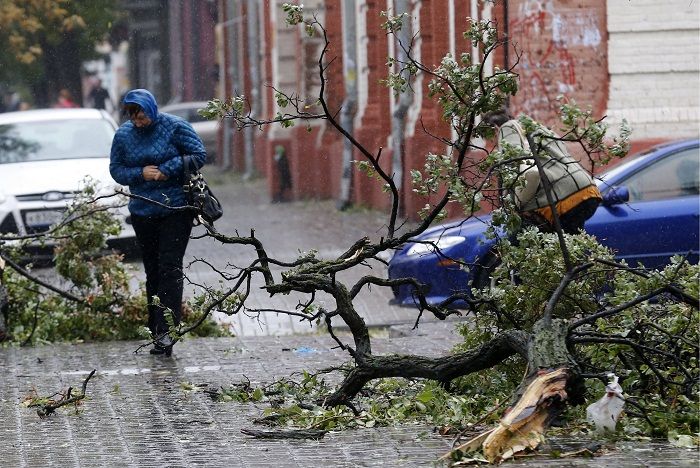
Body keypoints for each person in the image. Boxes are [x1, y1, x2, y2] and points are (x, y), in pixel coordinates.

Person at [109, 89, 206, 356]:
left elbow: (199, 155)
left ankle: (167, 332)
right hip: (142, 211)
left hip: (176, 207)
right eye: (133, 117)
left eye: (142, 116)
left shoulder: (176, 127)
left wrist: (167, 170)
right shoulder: (123, 135)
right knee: (152, 270)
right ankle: (155, 330)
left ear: (151, 109)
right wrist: (141, 173)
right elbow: (116, 169)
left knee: (170, 268)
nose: (138, 122)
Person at [483, 110, 602, 234]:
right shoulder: (536, 127)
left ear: (495, 128)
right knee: (569, 244)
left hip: (564, 198)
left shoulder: (507, 128)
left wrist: (510, 202)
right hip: (586, 190)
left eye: (490, 138)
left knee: (523, 238)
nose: (493, 144)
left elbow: (513, 162)